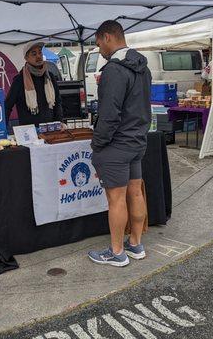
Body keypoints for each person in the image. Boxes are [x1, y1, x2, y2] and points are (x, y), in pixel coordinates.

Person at [88, 20, 152, 267]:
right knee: (135, 192)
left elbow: (109, 114)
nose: (99, 49)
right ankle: (135, 244)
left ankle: (117, 252)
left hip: (116, 144)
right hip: (137, 140)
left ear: (107, 37)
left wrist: (98, 143)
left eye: (98, 43)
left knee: (116, 199)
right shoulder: (142, 67)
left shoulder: (114, 69)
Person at [5, 41, 63, 126]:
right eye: (34, 54)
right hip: (29, 133)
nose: (38, 56)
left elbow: (57, 102)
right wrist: (3, 129)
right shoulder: (19, 80)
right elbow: (7, 106)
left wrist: (60, 122)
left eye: (40, 52)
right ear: (26, 58)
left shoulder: (49, 77)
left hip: (50, 130)